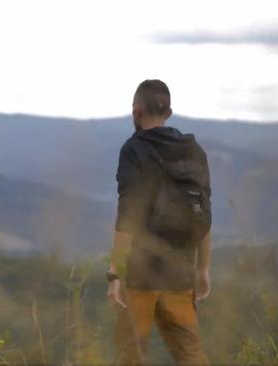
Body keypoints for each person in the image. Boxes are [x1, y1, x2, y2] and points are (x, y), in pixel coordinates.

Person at [106, 79, 212, 365]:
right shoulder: (193, 151)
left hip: (141, 276)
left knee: (132, 353)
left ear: (137, 111)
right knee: (190, 353)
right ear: (169, 112)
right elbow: (202, 213)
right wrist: (202, 269)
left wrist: (115, 272)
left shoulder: (134, 150)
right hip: (180, 273)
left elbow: (128, 214)